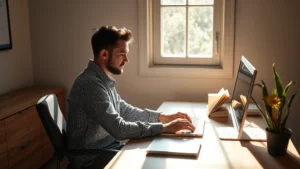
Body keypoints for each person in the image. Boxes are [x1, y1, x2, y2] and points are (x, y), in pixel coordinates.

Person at [67, 25, 195, 169]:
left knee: (155, 155)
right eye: (122, 54)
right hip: (91, 159)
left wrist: (161, 117)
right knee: (153, 162)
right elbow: (119, 129)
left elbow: (124, 110)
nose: (126, 60)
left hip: (108, 147)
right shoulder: (90, 84)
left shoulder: (102, 79)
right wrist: (163, 128)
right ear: (104, 54)